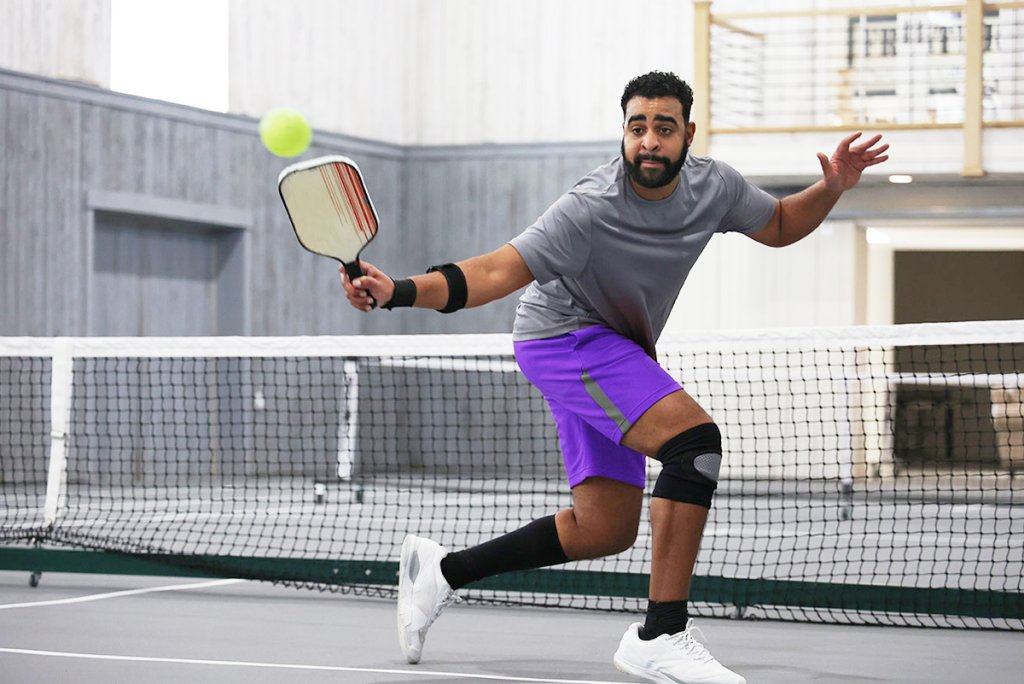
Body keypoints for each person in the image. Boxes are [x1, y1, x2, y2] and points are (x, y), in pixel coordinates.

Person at [340, 70, 889, 684]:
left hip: (617, 348)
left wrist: (834, 185)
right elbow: (496, 270)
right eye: (637, 127)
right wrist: (397, 293)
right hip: (562, 337)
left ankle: (441, 571)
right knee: (695, 444)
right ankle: (662, 633)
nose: (649, 141)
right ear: (623, 133)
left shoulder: (716, 188)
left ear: (688, 135)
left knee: (604, 529)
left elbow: (782, 225)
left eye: (663, 127)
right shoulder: (589, 206)